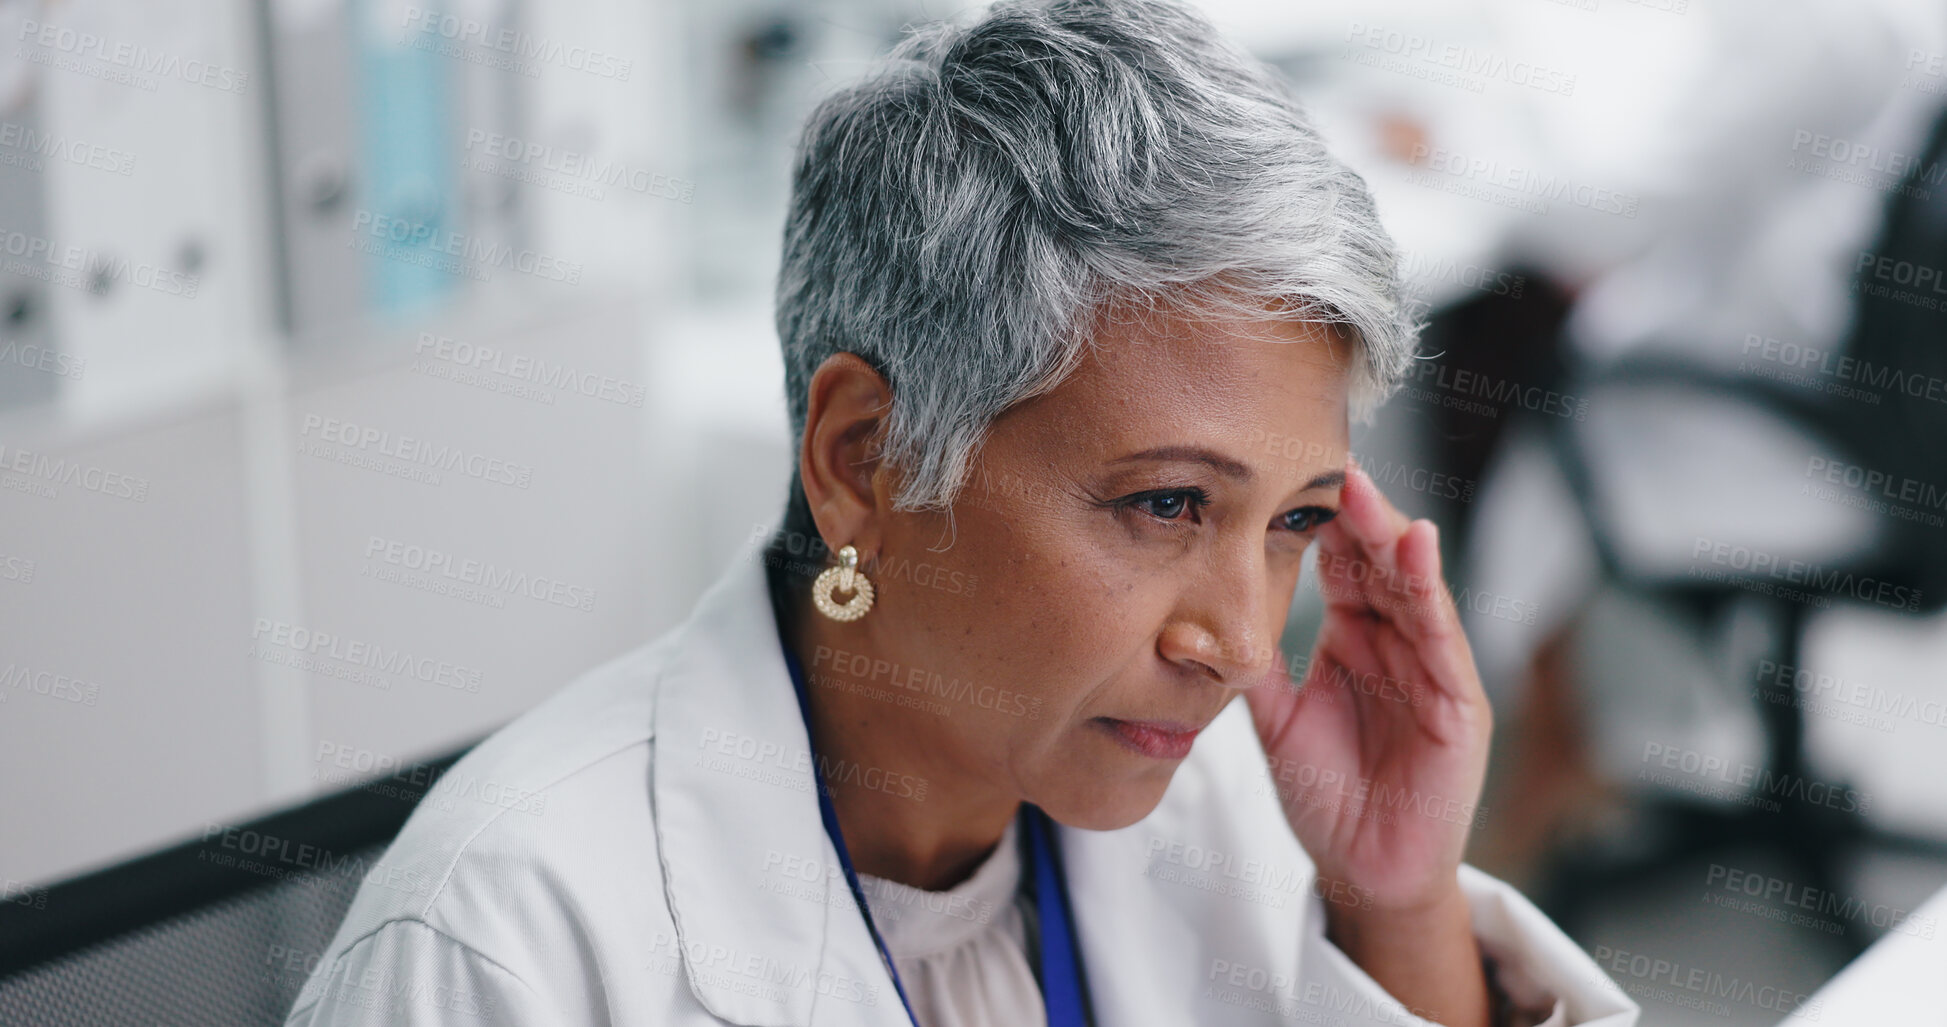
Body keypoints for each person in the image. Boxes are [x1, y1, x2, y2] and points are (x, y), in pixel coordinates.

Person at [285, 1, 1639, 1023]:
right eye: (1167, 503)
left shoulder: (1216, 796)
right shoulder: (507, 946)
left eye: (1294, 521)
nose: (1236, 643)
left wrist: (1394, 906)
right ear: (865, 460)